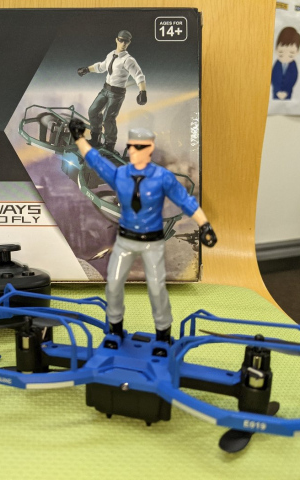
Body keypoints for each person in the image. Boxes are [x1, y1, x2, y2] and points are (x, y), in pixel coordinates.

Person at [68, 119, 217, 343]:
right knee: (114, 284)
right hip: (125, 241)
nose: (133, 151)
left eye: (139, 147)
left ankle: (163, 334)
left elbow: (185, 200)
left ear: (150, 148)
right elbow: (96, 161)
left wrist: (204, 225)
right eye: (131, 146)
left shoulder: (162, 177)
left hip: (152, 243)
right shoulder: (120, 175)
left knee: (157, 289)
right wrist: (79, 138)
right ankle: (115, 329)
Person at [77, 30, 147, 152]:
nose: (123, 43)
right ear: (116, 40)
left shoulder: (128, 60)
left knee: (108, 119)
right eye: (121, 40)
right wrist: (87, 69)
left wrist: (143, 92)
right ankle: (95, 138)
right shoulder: (111, 55)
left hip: (116, 94)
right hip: (105, 89)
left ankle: (109, 145)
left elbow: (139, 76)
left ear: (129, 43)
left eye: (126, 41)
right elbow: (101, 67)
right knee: (93, 111)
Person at [271, 27, 300, 100]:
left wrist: (286, 91)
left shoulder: (293, 66)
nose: (286, 56)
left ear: (297, 52)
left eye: (291, 54)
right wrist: (277, 90)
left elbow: (293, 78)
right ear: (276, 49)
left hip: (288, 93)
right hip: (276, 93)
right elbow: (273, 77)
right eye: (281, 53)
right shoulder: (277, 65)